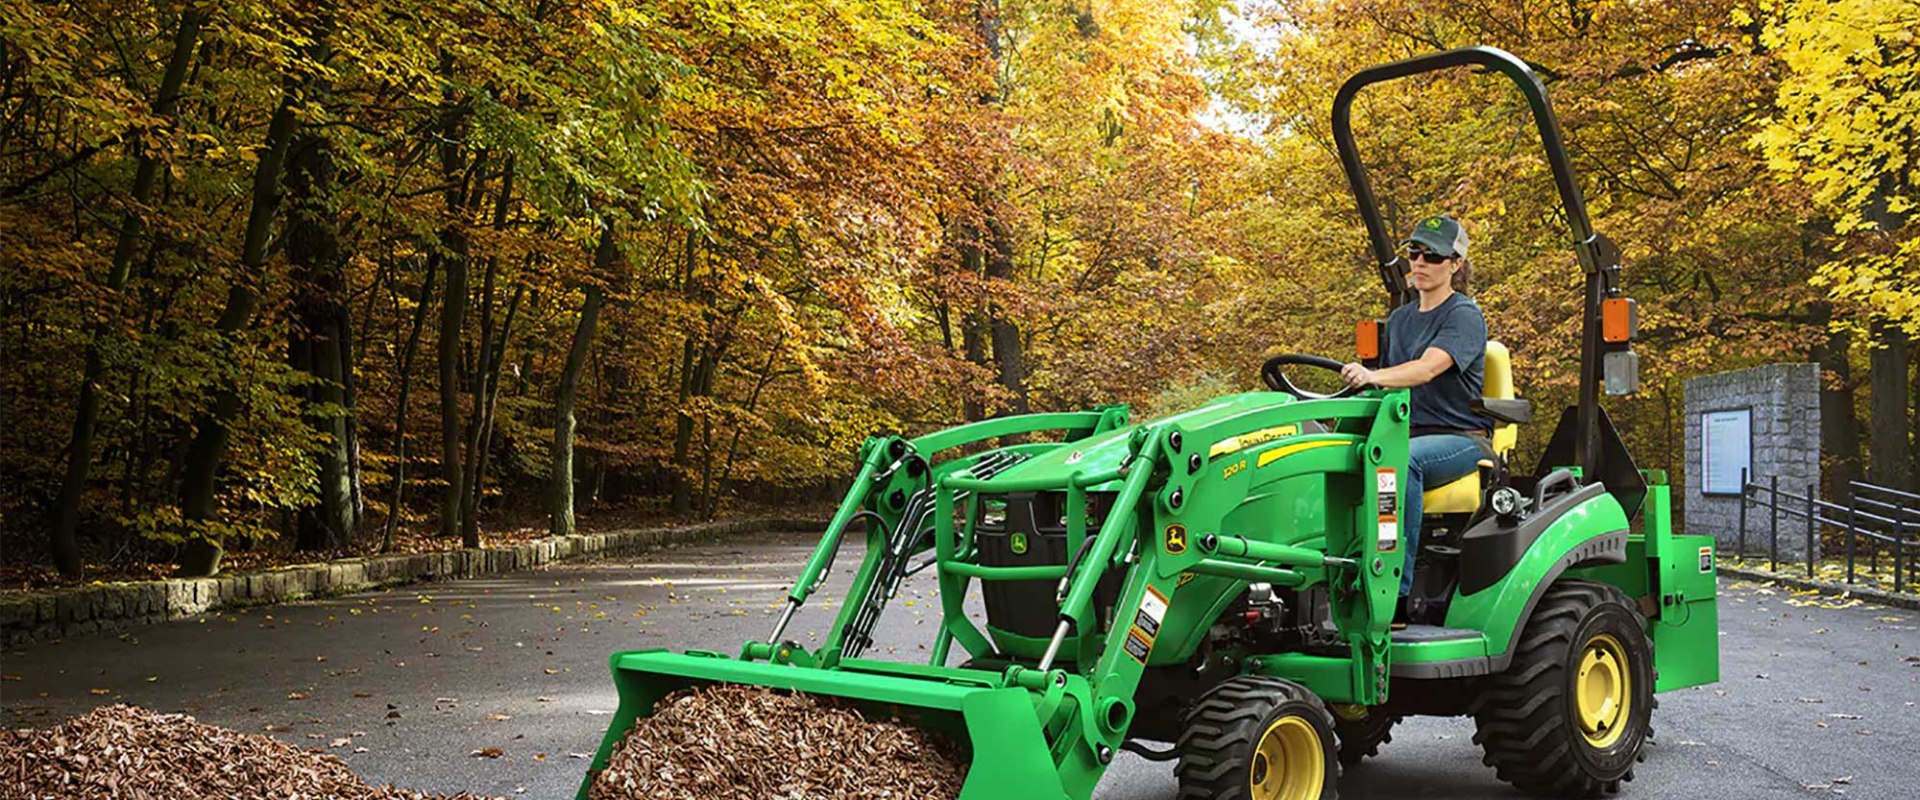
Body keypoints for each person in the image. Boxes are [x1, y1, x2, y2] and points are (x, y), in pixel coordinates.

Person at [1339, 215, 1490, 600]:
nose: (1420, 262)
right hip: (1405, 433)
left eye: (1433, 256)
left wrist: (1373, 376)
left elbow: (1425, 369)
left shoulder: (1464, 315)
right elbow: (1390, 388)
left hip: (1460, 438)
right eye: (1415, 253)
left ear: (1455, 265)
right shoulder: (1400, 319)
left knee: (1400, 461)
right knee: (1329, 452)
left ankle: (1394, 594)